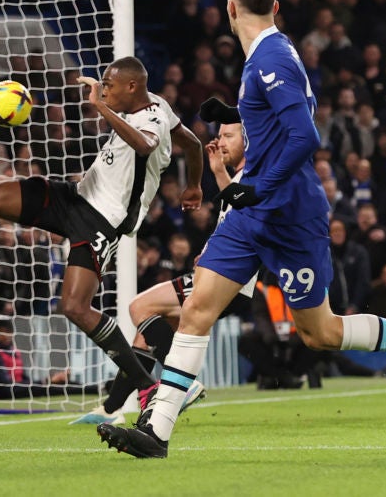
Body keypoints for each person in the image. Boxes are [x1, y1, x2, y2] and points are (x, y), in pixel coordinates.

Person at [98, 0, 386, 459]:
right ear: (275, 6)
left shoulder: (271, 58)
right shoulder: (267, 55)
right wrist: (239, 136)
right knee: (197, 308)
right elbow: (281, 126)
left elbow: (304, 137)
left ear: (230, 8)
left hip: (290, 213)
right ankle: (157, 431)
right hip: (251, 212)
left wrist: (259, 186)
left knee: (321, 333)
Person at [0, 56, 205, 406]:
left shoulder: (153, 117)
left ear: (132, 86)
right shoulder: (160, 105)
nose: (103, 91)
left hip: (102, 221)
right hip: (75, 197)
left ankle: (146, 384)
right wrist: (194, 185)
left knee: (74, 307)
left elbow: (146, 145)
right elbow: (193, 145)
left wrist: (101, 108)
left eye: (109, 85)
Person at [71, 120, 255, 424]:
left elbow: (251, 224)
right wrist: (219, 174)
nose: (220, 141)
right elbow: (234, 219)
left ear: (247, 141)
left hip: (226, 277)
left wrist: (216, 252)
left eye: (228, 136)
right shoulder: (240, 178)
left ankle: (183, 383)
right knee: (146, 336)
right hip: (226, 275)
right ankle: (111, 409)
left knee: (139, 307)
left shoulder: (256, 175)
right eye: (219, 134)